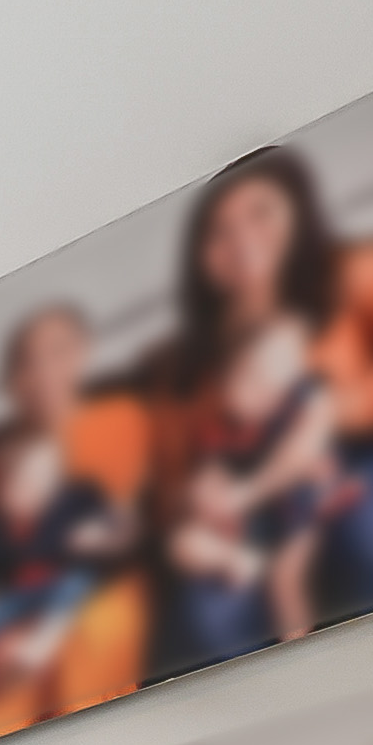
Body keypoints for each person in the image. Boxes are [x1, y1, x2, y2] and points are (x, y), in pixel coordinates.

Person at [0, 299, 155, 745]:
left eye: (57, 352)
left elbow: (129, 527)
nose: (42, 372)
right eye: (27, 362)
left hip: (93, 585)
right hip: (14, 592)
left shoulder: (122, 421)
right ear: (12, 382)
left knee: (91, 626)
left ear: (82, 354)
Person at [156, 150, 344, 666]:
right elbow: (189, 472)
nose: (241, 240)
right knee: (184, 545)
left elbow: (312, 442)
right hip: (236, 523)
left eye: (259, 212)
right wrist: (203, 492)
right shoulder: (201, 376)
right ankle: (241, 564)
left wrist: (246, 491)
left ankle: (302, 652)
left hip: (291, 502)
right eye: (220, 229)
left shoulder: (306, 394)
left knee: (289, 572)